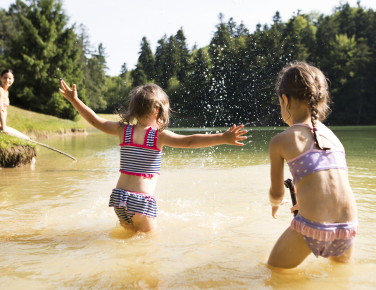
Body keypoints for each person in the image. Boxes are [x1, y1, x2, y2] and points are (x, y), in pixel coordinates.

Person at [59, 80, 248, 233]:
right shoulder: (158, 136)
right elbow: (190, 142)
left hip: (119, 199)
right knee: (149, 250)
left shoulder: (122, 130)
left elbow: (94, 120)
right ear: (158, 111)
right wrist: (222, 137)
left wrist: (74, 100)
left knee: (128, 240)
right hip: (140, 202)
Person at [267, 62, 358, 269]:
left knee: (274, 271)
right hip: (348, 225)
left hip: (314, 225)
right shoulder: (333, 138)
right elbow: (330, 185)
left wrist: (274, 203)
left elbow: (277, 193)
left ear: (285, 100)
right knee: (339, 281)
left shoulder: (281, 141)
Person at [0, 69, 29, 139]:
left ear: (13, 80)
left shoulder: (6, 92)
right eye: (5, 78)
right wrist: (4, 128)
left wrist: (2, 125)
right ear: (0, 78)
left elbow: (5, 111)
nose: (7, 80)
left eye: (10, 78)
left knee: (26, 138)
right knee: (25, 138)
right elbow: (0, 109)